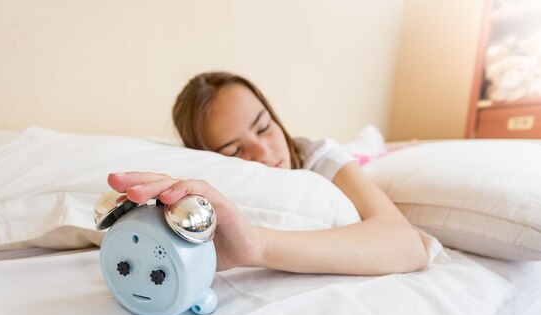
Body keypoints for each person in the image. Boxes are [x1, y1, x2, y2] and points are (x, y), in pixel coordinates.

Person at [108, 72, 430, 275]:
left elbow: (408, 244)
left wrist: (261, 247)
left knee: (372, 148)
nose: (263, 152)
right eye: (234, 151)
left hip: (349, 157)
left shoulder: (319, 156)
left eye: (264, 127)